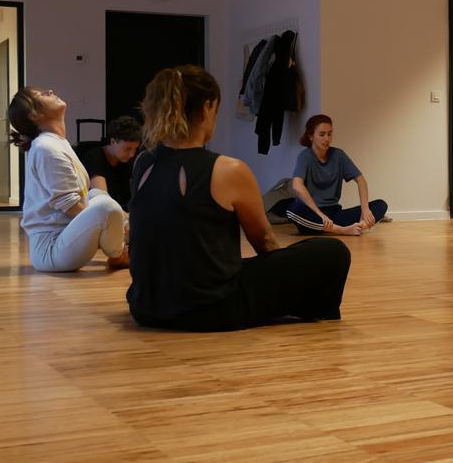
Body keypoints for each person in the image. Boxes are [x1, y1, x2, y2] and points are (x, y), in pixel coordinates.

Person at [126, 66, 351, 332]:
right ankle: (313, 311)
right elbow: (265, 242)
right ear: (207, 107)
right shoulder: (229, 170)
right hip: (210, 309)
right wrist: (288, 281)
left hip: (146, 307)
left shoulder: (143, 162)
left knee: (239, 266)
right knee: (333, 252)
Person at [8, 86, 128, 272]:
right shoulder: (46, 147)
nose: (50, 91)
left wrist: (119, 223)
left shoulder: (55, 142)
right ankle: (118, 254)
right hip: (52, 249)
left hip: (65, 237)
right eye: (41, 95)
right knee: (107, 207)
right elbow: (72, 207)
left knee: (97, 194)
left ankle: (131, 239)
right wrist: (117, 224)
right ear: (34, 115)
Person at [285, 114, 388, 236]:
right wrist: (319, 214)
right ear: (311, 136)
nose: (327, 138)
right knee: (292, 209)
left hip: (334, 215)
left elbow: (360, 179)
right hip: (312, 215)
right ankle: (340, 230)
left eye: (329, 134)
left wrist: (365, 209)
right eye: (322, 134)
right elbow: (297, 186)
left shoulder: (339, 155)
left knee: (380, 205)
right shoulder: (305, 157)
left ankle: (360, 226)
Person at [80, 116, 142, 210]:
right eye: (128, 149)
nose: (132, 154)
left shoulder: (129, 160)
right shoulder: (95, 157)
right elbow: (102, 200)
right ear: (113, 141)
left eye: (135, 149)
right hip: (103, 212)